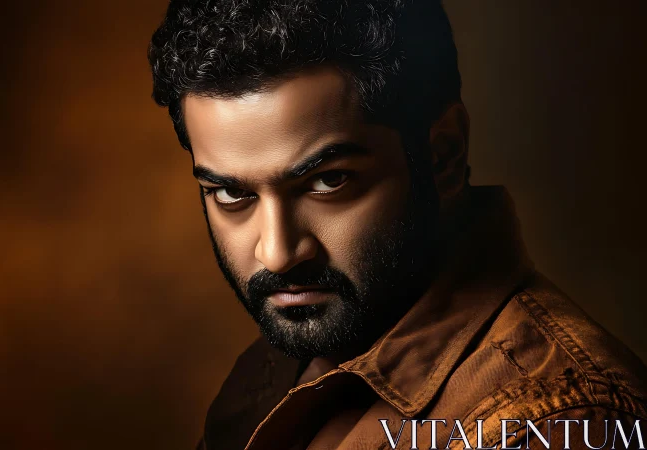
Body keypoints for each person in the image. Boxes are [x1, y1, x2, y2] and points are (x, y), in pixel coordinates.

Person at [147, 0, 647, 448]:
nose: (277, 254)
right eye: (233, 193)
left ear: (443, 154)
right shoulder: (274, 367)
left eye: (329, 181)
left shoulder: (561, 424)